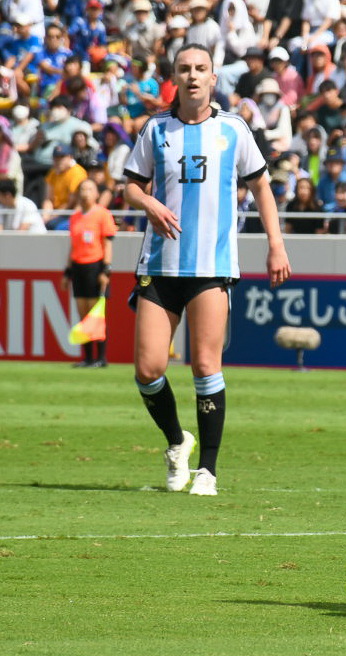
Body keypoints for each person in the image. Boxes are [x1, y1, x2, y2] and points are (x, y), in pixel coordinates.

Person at [123, 44, 291, 496]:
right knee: (147, 369)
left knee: (204, 364)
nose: (193, 76)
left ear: (214, 78)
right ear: (174, 77)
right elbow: (131, 188)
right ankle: (178, 442)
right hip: (159, 265)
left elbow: (261, 186)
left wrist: (275, 245)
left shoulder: (233, 129)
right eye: (185, 69)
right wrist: (149, 201)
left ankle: (208, 471)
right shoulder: (156, 129)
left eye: (201, 69)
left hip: (212, 265)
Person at [61, 179, 116, 367]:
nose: (85, 192)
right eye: (82, 188)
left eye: (89, 189)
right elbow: (72, 246)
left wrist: (106, 270)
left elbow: (108, 243)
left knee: (96, 314)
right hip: (79, 267)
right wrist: (67, 272)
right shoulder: (75, 217)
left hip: (96, 266)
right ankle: (87, 358)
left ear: (96, 194)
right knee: (82, 313)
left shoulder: (103, 215)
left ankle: (101, 358)